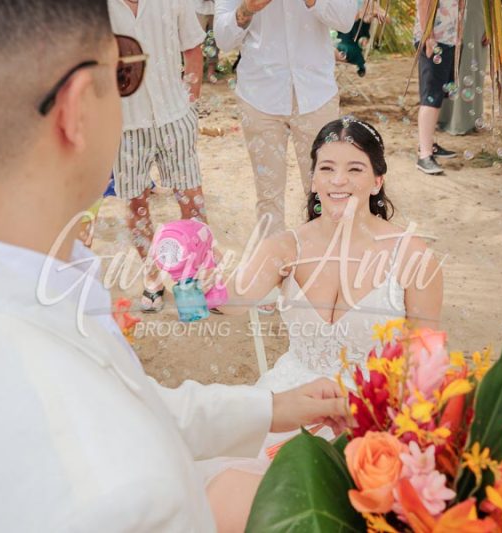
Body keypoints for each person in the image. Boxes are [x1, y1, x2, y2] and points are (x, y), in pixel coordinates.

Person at [0, 1, 351, 531]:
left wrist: (270, 407)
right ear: (78, 107)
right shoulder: (122, 496)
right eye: (127, 71)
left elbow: (129, 403)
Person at [203, 117, 443, 532]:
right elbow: (232, 302)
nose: (339, 180)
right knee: (227, 495)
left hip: (372, 411)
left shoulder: (412, 255)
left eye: (355, 169)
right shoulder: (285, 247)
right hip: (291, 397)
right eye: (327, 168)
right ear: (312, 180)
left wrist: (384, 417)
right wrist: (195, 279)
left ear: (377, 180)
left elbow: (427, 359)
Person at [214, 0, 357, 238]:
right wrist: (247, 9)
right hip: (259, 95)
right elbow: (223, 38)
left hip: (316, 93)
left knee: (326, 189)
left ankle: (323, 263)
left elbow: (344, 20)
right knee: (268, 196)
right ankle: (274, 265)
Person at [108, 0, 207, 313]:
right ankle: (151, 276)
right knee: (135, 203)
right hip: (124, 125)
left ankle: (192, 276)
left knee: (190, 198)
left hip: (173, 117)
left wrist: (189, 103)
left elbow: (192, 47)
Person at [415, 0, 461, 175]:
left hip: (449, 38)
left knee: (438, 96)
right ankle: (424, 155)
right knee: (431, 98)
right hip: (435, 40)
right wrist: (428, 37)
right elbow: (423, 2)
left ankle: (428, 144)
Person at [437, 0, 487, 135]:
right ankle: (443, 116)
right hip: (447, 10)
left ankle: (464, 120)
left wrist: (492, 23)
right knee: (449, 60)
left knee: (470, 61)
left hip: (475, 11)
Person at [195, 0, 219, 82]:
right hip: (199, 10)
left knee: (213, 43)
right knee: (196, 43)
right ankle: (196, 73)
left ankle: (211, 74)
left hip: (215, 11)